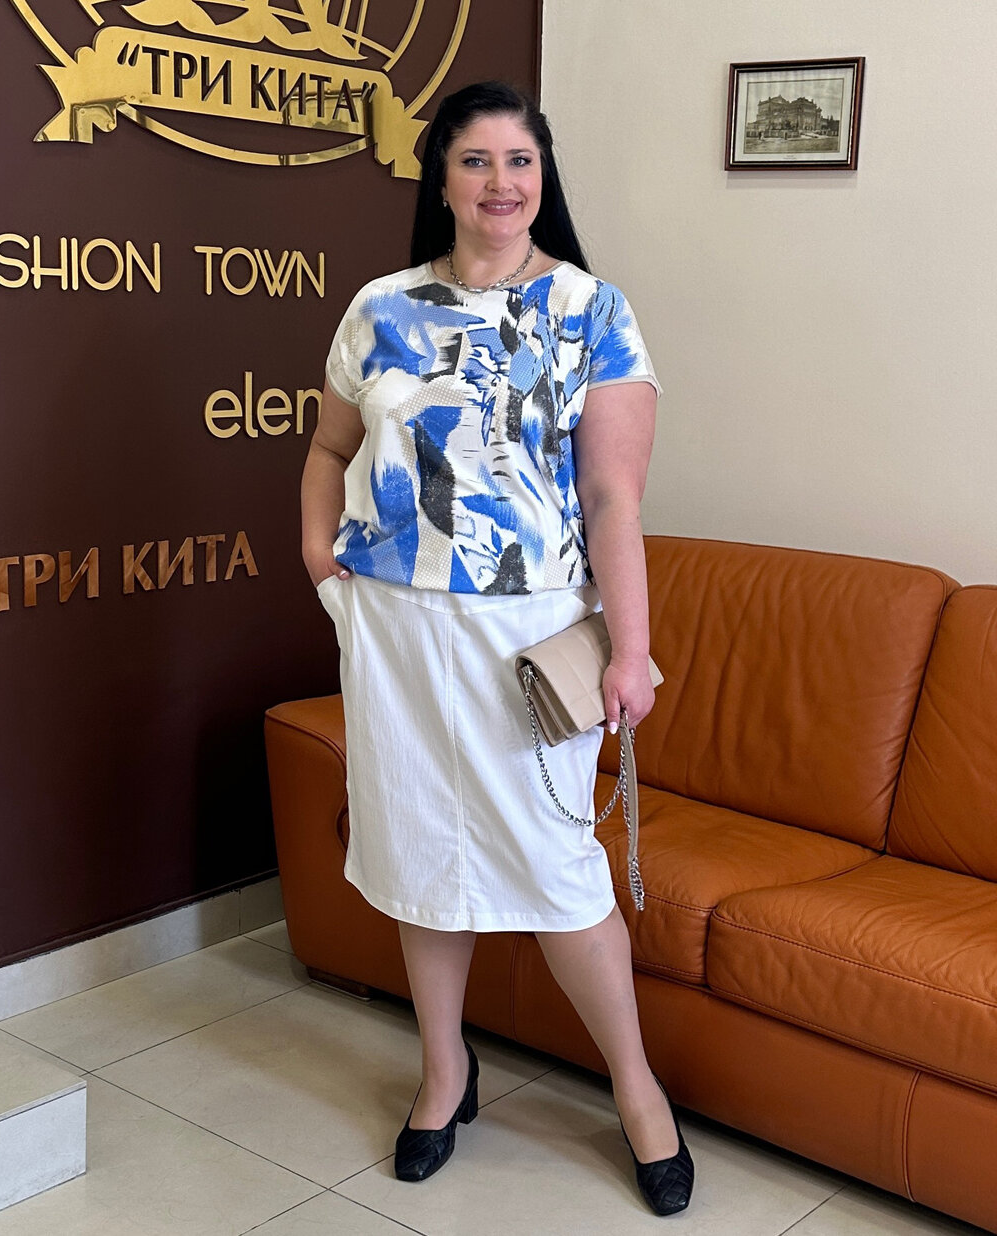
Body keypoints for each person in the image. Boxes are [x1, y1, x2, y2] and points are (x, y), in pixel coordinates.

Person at [300, 80, 693, 1217]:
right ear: (442, 179)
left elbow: (613, 500)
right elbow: (327, 448)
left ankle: (637, 1094)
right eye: (476, 161)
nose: (501, 182)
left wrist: (631, 651)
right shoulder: (379, 308)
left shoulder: (591, 311)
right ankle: (443, 1074)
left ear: (542, 176)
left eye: (520, 160)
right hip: (394, 628)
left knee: (560, 873)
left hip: (530, 634)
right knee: (421, 858)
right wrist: (321, 558)